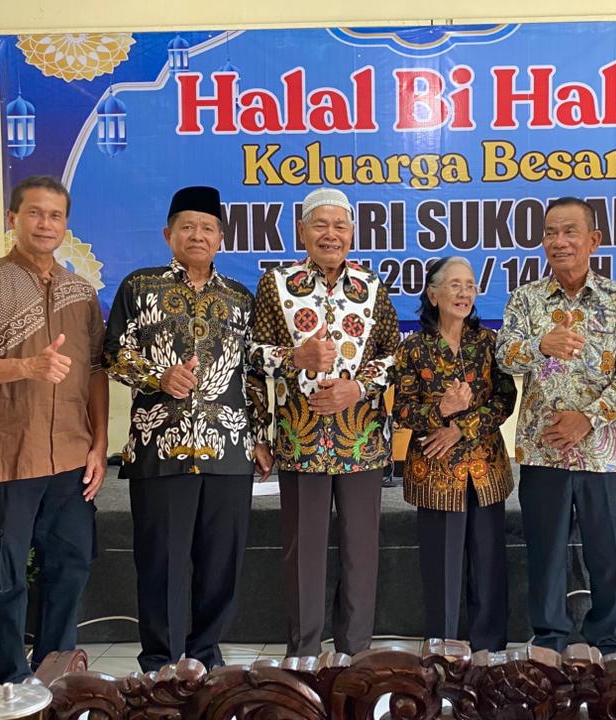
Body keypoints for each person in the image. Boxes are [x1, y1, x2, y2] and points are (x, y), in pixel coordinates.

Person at [104, 186, 273, 672]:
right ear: (168, 234)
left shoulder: (240, 298)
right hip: (160, 448)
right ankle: (160, 663)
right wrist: (158, 376)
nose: (197, 235)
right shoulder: (139, 287)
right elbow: (113, 354)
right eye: (187, 227)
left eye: (207, 228)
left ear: (221, 238)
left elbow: (252, 373)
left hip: (229, 450)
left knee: (222, 563)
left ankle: (205, 659)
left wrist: (260, 436)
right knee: (161, 562)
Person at [0, 176, 109, 683]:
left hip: (71, 458)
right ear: (12, 218)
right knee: (3, 577)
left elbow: (96, 371)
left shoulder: (82, 292)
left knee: (70, 569)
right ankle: (11, 685)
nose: (45, 224)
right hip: (5, 459)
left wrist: (101, 443)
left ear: (66, 224)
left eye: (55, 215)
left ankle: (56, 680)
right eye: (35, 213)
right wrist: (26, 367)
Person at [495, 196, 616, 655]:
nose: (558, 242)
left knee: (607, 555)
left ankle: (606, 640)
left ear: (593, 240)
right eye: (550, 233)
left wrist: (589, 418)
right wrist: (540, 344)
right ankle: (549, 638)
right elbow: (503, 357)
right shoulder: (526, 299)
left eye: (569, 231)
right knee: (546, 552)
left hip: (604, 455)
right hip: (544, 452)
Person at [250, 187, 399, 657]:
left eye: (340, 225)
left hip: (362, 442)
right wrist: (295, 358)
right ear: (302, 231)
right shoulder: (276, 284)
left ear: (352, 232)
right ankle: (304, 657)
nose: (330, 234)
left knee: (361, 552)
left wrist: (359, 387)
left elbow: (394, 355)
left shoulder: (371, 287)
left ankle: (356, 655)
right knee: (304, 554)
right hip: (301, 440)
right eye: (320, 224)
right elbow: (252, 356)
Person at [395, 256, 517, 652]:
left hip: (485, 471)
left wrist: (461, 426)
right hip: (435, 473)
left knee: (489, 567)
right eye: (454, 285)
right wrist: (440, 411)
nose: (464, 293)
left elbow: (505, 398)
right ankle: (443, 650)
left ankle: (489, 653)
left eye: (470, 285)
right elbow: (402, 410)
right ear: (433, 295)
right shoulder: (413, 348)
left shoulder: (489, 342)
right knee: (441, 570)